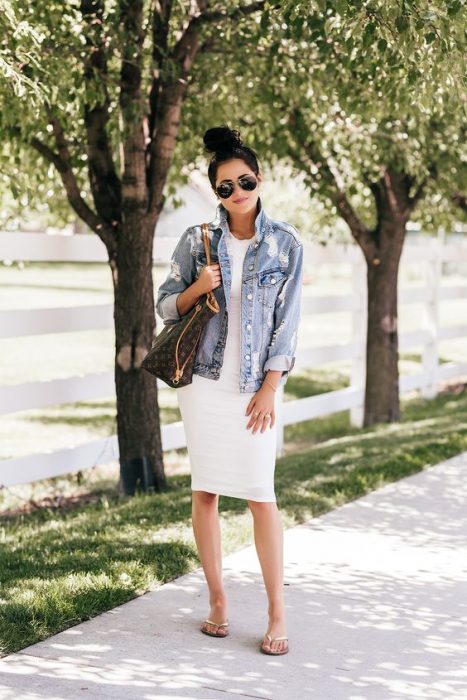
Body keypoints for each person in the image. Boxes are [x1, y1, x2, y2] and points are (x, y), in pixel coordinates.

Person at [156, 125, 303, 656]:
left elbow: (287, 326)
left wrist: (269, 388)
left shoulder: (286, 244)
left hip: (254, 389)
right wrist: (201, 285)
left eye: (243, 181)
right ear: (215, 191)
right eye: (225, 186)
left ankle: (275, 611)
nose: (236, 192)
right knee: (206, 491)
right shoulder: (196, 240)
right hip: (203, 384)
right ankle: (217, 601)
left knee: (262, 497)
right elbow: (165, 305)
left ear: (258, 179)